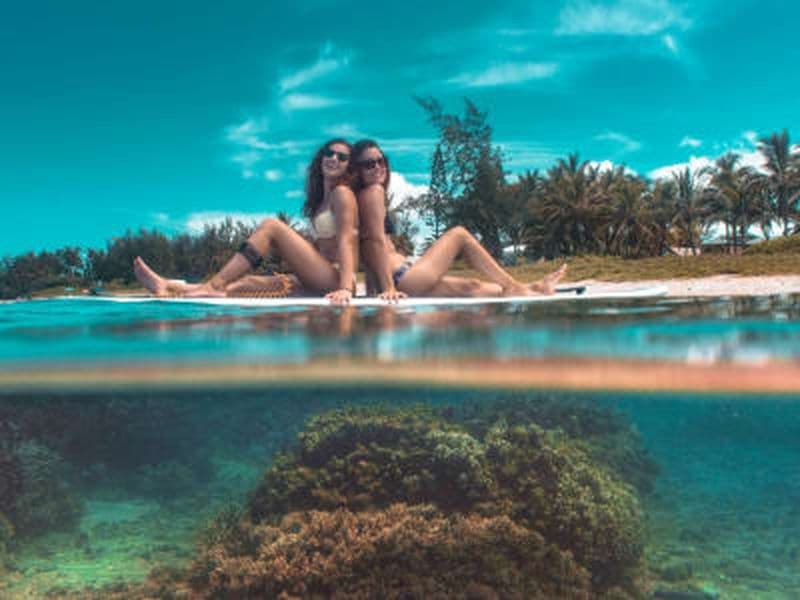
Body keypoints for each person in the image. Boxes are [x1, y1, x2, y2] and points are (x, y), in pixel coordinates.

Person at [133, 139, 359, 305]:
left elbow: (347, 241)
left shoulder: (342, 193)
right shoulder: (320, 201)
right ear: (321, 157)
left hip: (335, 277)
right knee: (247, 283)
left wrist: (346, 288)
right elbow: (323, 246)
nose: (333, 158)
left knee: (271, 226)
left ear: (349, 166)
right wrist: (299, 258)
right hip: (318, 274)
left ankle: (214, 285)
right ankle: (168, 285)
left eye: (342, 157)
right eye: (329, 152)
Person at [352, 139, 566, 302]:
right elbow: (377, 242)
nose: (378, 167)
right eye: (369, 164)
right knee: (459, 234)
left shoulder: (362, 198)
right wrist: (388, 288)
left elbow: (369, 245)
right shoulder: (373, 192)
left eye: (381, 161)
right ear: (357, 170)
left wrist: (376, 289)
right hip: (401, 278)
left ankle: (534, 289)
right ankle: (513, 286)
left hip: (402, 278)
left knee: (470, 286)